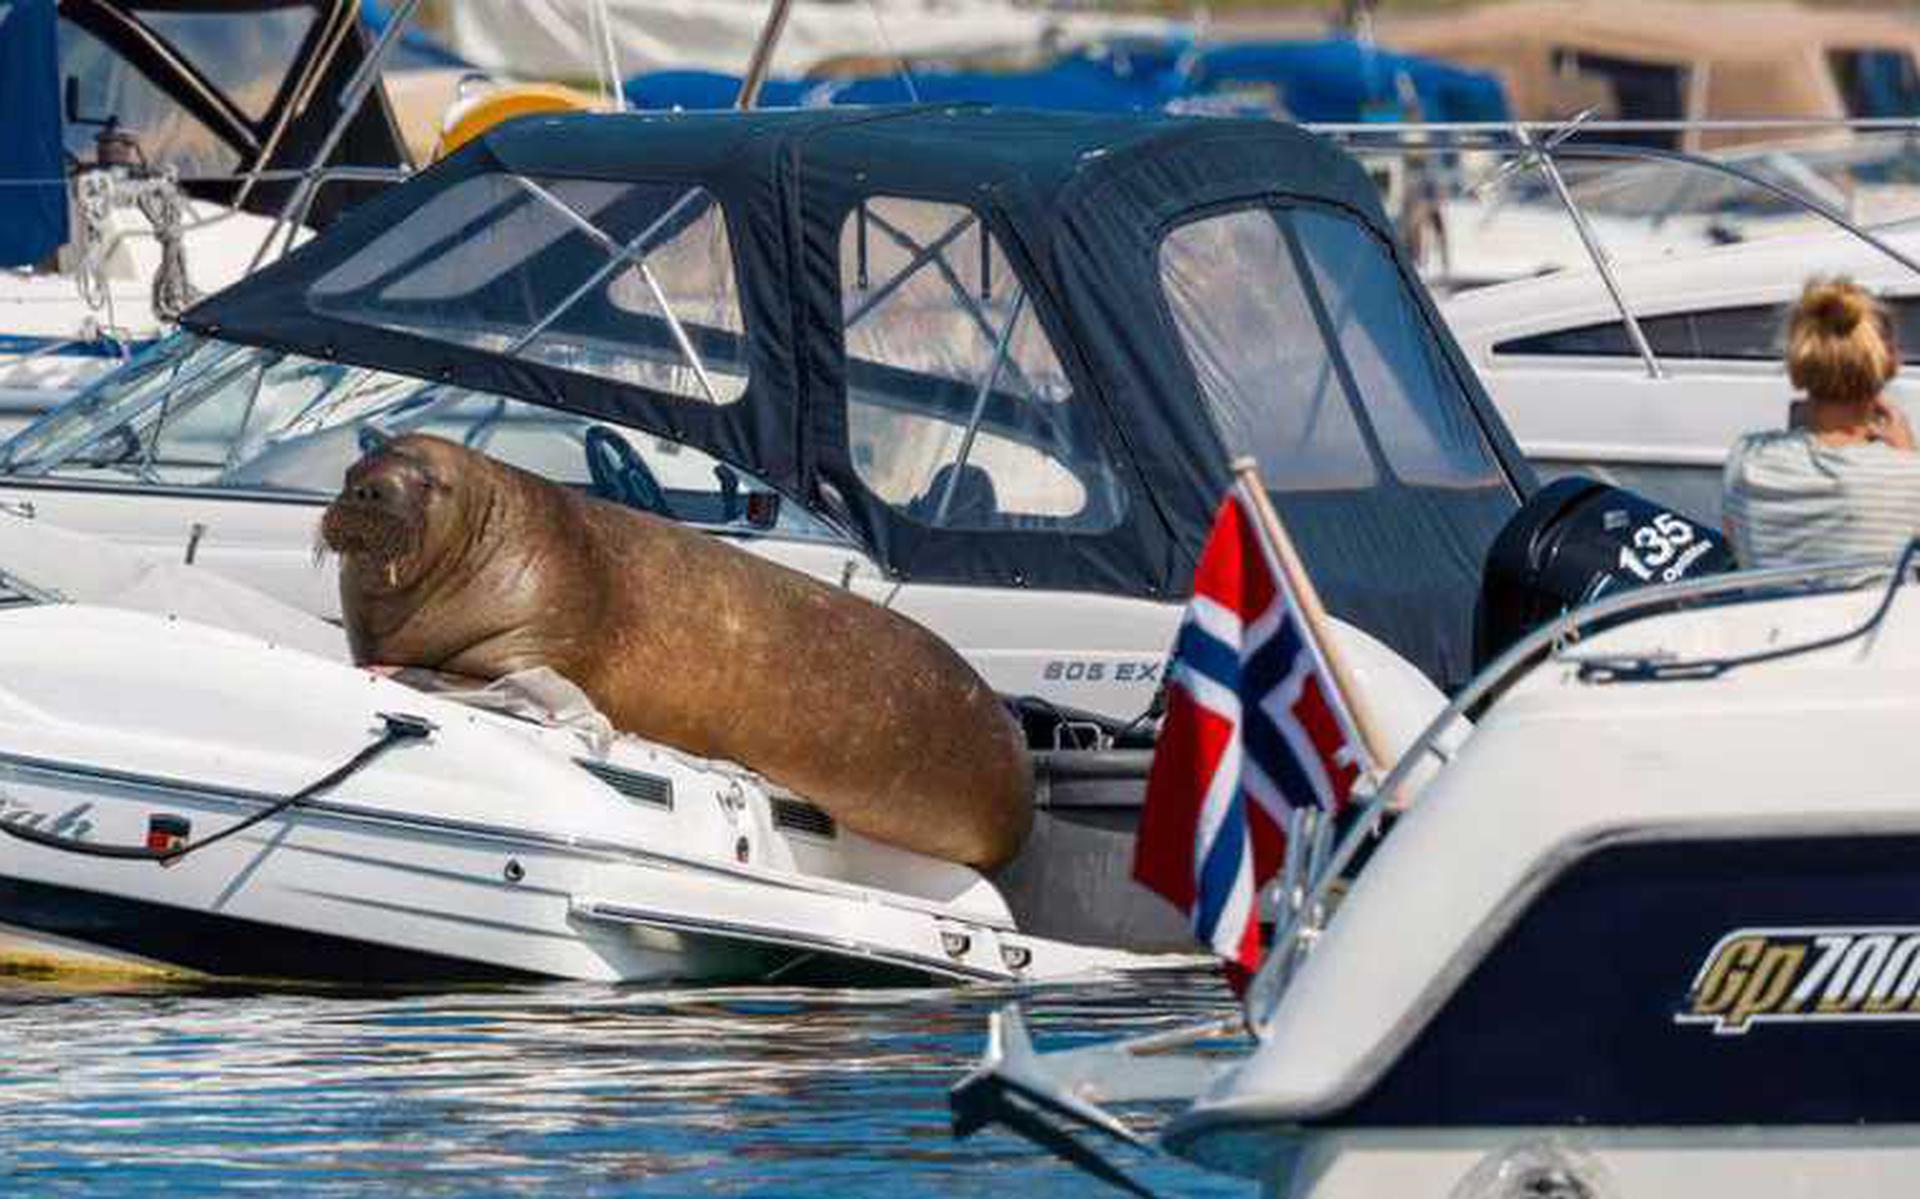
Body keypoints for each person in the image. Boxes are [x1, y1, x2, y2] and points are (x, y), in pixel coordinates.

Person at [1722, 278, 1920, 568]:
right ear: (1890, 363)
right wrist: (1908, 454)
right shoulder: (1907, 477)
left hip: (1771, 613)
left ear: (1797, 365)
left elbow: (1735, 541)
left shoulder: (1747, 458)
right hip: (1876, 615)